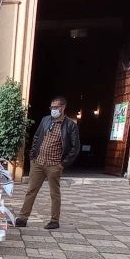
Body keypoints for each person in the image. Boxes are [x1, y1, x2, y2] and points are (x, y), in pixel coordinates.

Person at [15, 96, 80, 230]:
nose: (53, 110)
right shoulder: (45, 120)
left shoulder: (70, 125)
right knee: (31, 191)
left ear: (63, 108)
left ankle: (54, 221)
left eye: (56, 107)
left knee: (54, 193)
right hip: (38, 162)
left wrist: (62, 164)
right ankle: (22, 218)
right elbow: (37, 137)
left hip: (54, 165)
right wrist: (33, 156)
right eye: (52, 107)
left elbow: (75, 147)